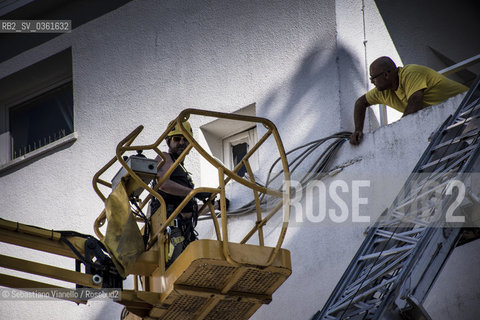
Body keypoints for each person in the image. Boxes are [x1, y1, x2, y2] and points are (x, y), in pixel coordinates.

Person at [350, 56, 468, 145]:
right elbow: (360, 102)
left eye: (373, 78)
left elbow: (415, 102)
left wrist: (397, 130)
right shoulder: (382, 91)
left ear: (386, 75)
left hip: (471, 103)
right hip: (453, 117)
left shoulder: (410, 73)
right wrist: (358, 130)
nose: (372, 82)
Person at [150, 121, 210, 266]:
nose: (181, 143)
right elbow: (164, 185)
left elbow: (185, 208)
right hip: (170, 233)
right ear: (168, 141)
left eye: (185, 139)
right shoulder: (164, 158)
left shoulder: (182, 171)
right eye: (177, 139)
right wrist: (194, 193)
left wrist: (214, 205)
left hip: (183, 232)